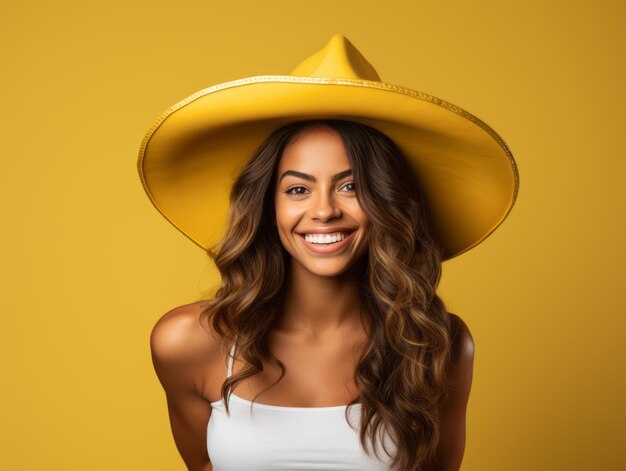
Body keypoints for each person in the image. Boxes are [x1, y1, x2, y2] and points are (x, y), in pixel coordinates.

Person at [139, 35, 519, 471]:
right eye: (298, 189)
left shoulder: (436, 345)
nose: (323, 211)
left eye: (351, 186)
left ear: (386, 202)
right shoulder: (189, 342)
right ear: (269, 206)